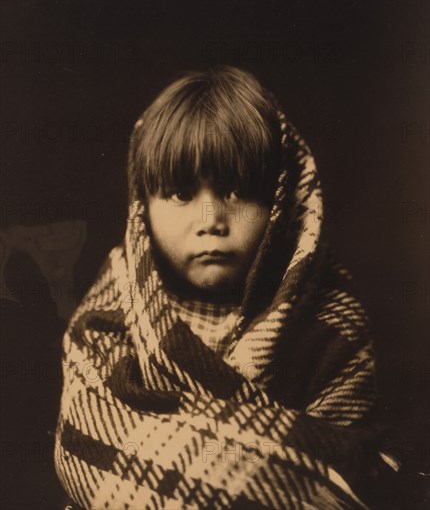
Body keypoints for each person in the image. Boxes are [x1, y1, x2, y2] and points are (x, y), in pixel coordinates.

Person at [54, 66, 403, 509]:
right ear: (143, 206)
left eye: (237, 192)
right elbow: (89, 442)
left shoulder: (330, 323)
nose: (210, 222)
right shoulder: (105, 321)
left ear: (282, 199)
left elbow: (350, 468)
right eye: (181, 194)